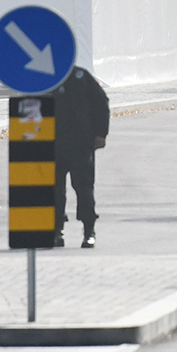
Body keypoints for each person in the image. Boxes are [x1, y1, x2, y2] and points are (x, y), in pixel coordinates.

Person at [53, 64, 110, 247]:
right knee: (54, 191)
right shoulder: (44, 79)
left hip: (81, 144)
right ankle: (56, 231)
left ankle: (88, 231)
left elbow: (102, 103)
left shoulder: (81, 76)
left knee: (84, 189)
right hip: (52, 146)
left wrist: (101, 134)